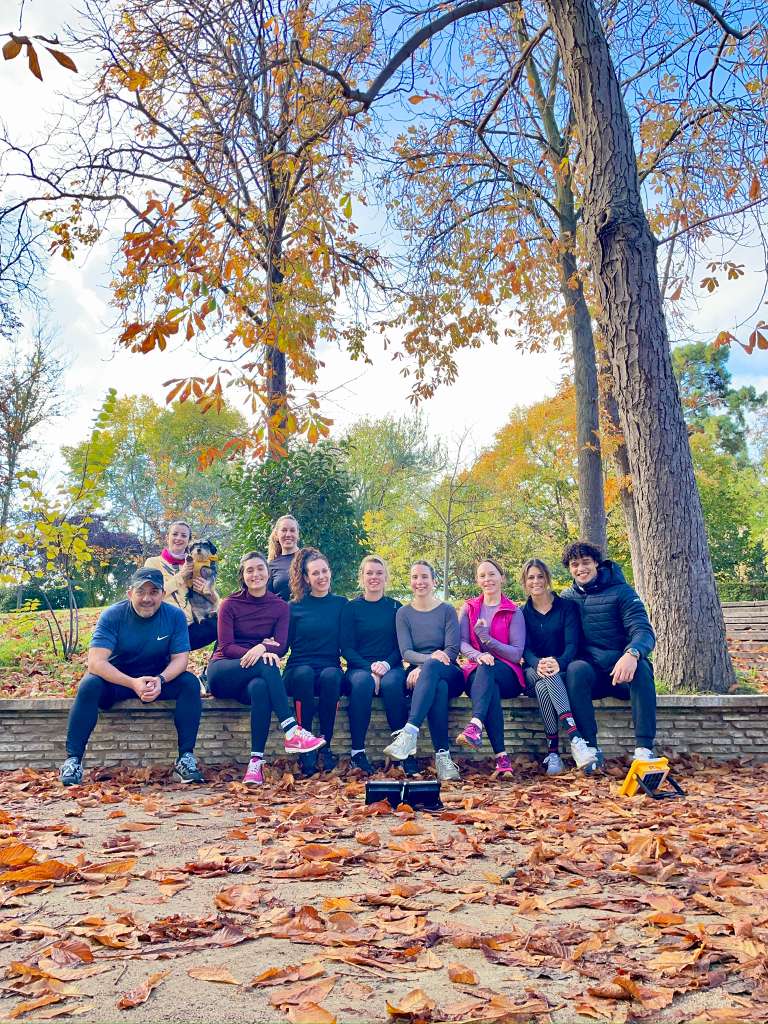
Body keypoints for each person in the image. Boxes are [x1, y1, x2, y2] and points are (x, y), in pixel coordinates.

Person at [59, 567, 204, 787]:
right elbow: (96, 662)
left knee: (190, 683)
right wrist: (132, 683)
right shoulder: (113, 615)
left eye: (154, 592)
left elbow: (180, 660)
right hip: (118, 681)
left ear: (162, 594)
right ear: (130, 593)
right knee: (89, 684)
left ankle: (186, 758)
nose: (147, 598)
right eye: (141, 591)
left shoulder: (174, 616)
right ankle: (73, 761)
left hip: (156, 679)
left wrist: (161, 680)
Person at [207, 551, 325, 785]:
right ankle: (291, 730)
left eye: (260, 569)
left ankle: (255, 764)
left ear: (268, 573)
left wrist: (263, 649)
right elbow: (227, 646)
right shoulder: (230, 604)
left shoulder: (279, 606)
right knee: (266, 664)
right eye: (249, 570)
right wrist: (259, 649)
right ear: (242, 575)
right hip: (224, 671)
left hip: (254, 677)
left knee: (262, 686)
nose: (255, 574)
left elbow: (280, 646)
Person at [561, 541, 657, 773]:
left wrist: (632, 653)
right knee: (575, 670)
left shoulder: (622, 591)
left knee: (642, 668)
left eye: (585, 562)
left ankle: (644, 749)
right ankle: (591, 749)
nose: (580, 569)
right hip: (593, 676)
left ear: (596, 563)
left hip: (623, 673)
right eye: (575, 565)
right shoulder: (567, 598)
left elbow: (643, 631)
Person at [384, 561, 462, 781]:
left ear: (434, 581)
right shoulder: (403, 613)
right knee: (439, 687)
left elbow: (452, 651)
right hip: (423, 674)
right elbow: (406, 651)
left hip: (449, 669)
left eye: (424, 577)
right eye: (415, 577)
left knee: (441, 678)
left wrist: (427, 665)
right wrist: (426, 662)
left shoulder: (447, 610)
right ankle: (443, 758)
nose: (419, 582)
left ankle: (409, 732)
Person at [520, 558, 598, 774]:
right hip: (531, 671)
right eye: (531, 577)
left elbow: (572, 643)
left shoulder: (566, 607)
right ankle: (576, 738)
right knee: (544, 678)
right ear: (525, 582)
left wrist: (558, 662)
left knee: (546, 684)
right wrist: (538, 664)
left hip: (560, 668)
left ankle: (553, 753)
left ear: (547, 579)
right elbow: (524, 649)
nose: (536, 581)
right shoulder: (522, 613)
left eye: (540, 576)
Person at [455, 558, 525, 776]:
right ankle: (501, 758)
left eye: (492, 574)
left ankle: (476, 725)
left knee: (490, 667)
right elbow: (461, 642)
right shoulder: (469, 608)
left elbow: (516, 653)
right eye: (482, 575)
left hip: (508, 674)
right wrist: (478, 655)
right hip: (477, 673)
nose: (487, 579)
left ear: (501, 577)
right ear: (477, 580)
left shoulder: (513, 611)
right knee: (488, 681)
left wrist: (486, 639)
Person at [284, 547, 347, 776]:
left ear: (330, 572)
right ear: (306, 579)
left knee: (332, 676)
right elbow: (283, 645)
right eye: (315, 573)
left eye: (324, 571)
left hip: (329, 665)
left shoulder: (341, 604)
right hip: (298, 669)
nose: (321, 577)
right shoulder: (294, 607)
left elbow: (349, 642)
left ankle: (326, 746)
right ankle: (305, 746)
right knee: (304, 675)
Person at [340, 555, 406, 776]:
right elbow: (346, 648)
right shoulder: (351, 608)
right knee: (363, 684)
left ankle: (402, 754)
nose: (374, 577)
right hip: (359, 668)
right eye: (369, 573)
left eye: (379, 573)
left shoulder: (396, 607)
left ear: (386, 577)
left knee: (394, 684)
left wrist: (386, 665)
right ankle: (357, 753)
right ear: (362, 577)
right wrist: (370, 668)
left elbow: (402, 646)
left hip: (391, 666)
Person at [144, 520, 220, 651]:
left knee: (226, 622)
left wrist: (207, 592)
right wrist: (181, 576)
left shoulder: (198, 564)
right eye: (175, 534)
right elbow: (149, 596)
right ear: (167, 537)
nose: (179, 538)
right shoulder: (152, 563)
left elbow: (215, 599)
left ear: (188, 541)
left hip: (192, 627)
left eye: (184, 536)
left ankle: (216, 665)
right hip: (164, 629)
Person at [267, 515, 301, 601]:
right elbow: (268, 600)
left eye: (292, 530)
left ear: (298, 534)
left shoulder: (309, 558)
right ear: (276, 535)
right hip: (282, 613)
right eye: (284, 530)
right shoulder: (271, 565)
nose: (288, 534)